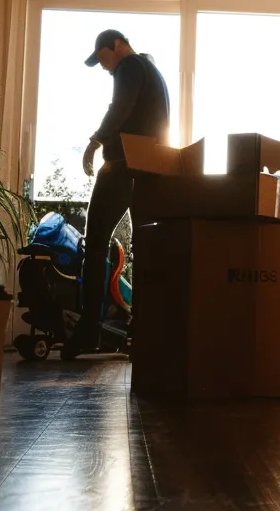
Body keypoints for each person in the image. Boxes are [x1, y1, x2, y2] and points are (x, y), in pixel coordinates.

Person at [71, 29, 170, 354]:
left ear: (116, 46)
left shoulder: (129, 66)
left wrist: (95, 140)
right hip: (148, 168)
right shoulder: (153, 71)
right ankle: (142, 331)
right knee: (145, 247)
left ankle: (88, 331)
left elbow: (121, 105)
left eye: (102, 59)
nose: (104, 68)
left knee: (96, 242)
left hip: (122, 165)